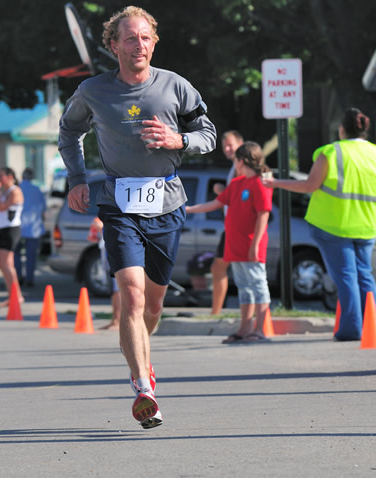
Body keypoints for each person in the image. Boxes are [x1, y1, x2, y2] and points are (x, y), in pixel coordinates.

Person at [58, 5, 216, 429]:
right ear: (114, 46)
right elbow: (69, 131)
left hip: (166, 204)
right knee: (131, 292)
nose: (139, 45)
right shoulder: (93, 91)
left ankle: (139, 353)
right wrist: (76, 178)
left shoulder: (175, 86)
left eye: (145, 37)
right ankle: (144, 386)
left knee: (154, 303)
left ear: (154, 42)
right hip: (119, 204)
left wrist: (177, 138)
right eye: (130, 38)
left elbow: (208, 135)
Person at [263, 108, 376, 341]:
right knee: (364, 275)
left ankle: (351, 329)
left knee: (346, 276)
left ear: (341, 129)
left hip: (333, 225)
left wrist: (276, 183)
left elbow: (310, 186)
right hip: (367, 225)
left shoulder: (331, 153)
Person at [187, 142, 273, 343]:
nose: (234, 164)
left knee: (258, 285)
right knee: (243, 287)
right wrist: (189, 209)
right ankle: (244, 328)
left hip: (252, 246)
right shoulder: (236, 184)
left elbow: (263, 215)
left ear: (241, 161)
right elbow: (216, 203)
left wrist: (255, 245)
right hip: (235, 246)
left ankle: (259, 330)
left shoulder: (261, 183)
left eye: (235, 160)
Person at [209, 130, 245, 315]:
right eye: (225, 146)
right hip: (231, 225)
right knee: (221, 268)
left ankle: (217, 312)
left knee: (223, 268)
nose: (228, 149)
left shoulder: (241, 165)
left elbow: (243, 194)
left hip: (237, 226)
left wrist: (222, 190)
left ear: (241, 143)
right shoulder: (235, 166)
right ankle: (216, 312)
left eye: (231, 144)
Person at [0, 167, 24, 306]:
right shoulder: (6, 191)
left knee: (4, 263)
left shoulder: (15, 191)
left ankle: (16, 296)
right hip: (3, 229)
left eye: (2, 176)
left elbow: (1, 207)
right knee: (4, 263)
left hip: (11, 229)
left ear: (10, 176)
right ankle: (13, 295)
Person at [88, 216, 121, 330]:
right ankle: (115, 320)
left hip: (118, 256)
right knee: (114, 290)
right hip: (109, 257)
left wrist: (102, 227)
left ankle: (118, 321)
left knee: (118, 290)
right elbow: (94, 237)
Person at [14, 168, 46, 287]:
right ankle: (29, 278)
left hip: (18, 226)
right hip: (34, 227)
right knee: (31, 255)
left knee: (16, 253)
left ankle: (17, 276)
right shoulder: (37, 190)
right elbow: (43, 209)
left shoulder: (17, 189)